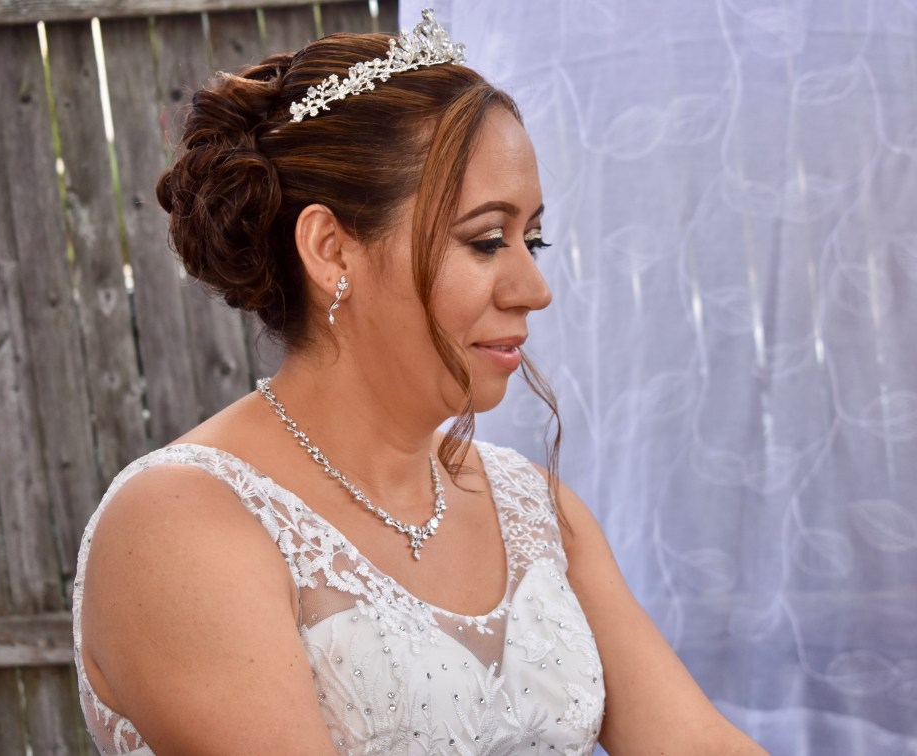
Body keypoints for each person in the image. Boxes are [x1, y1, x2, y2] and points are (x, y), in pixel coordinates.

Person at [72, 10, 765, 755]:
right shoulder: (179, 525)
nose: (534, 289)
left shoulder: (533, 508)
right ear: (330, 249)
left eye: (532, 240)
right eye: (487, 240)